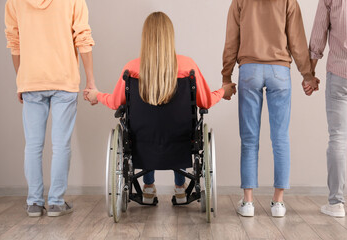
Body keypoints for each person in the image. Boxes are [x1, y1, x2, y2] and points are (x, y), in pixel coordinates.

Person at [85, 12, 236, 204]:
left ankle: (148, 188)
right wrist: (223, 91)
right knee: (175, 126)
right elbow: (205, 102)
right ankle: (181, 189)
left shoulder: (131, 68)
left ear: (145, 37)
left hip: (142, 140)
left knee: (148, 127)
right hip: (180, 138)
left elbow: (116, 103)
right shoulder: (188, 66)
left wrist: (96, 95)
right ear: (170, 36)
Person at [222, 0, 320, 217]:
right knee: (281, 138)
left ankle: (248, 202)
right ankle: (278, 203)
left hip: (249, 70)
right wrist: (307, 75)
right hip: (280, 71)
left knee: (249, 139)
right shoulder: (288, 1)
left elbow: (231, 40)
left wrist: (226, 77)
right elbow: (297, 40)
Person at [5, 0, 96, 217]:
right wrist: (90, 80)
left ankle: (34, 203)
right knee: (61, 144)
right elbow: (82, 37)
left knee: (33, 145)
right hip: (64, 79)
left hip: (31, 80)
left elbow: (14, 41)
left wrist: (21, 80)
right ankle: (56, 202)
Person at [308, 0, 347, 218]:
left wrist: (310, 74)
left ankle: (336, 204)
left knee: (338, 138)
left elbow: (319, 32)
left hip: (340, 72)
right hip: (341, 73)